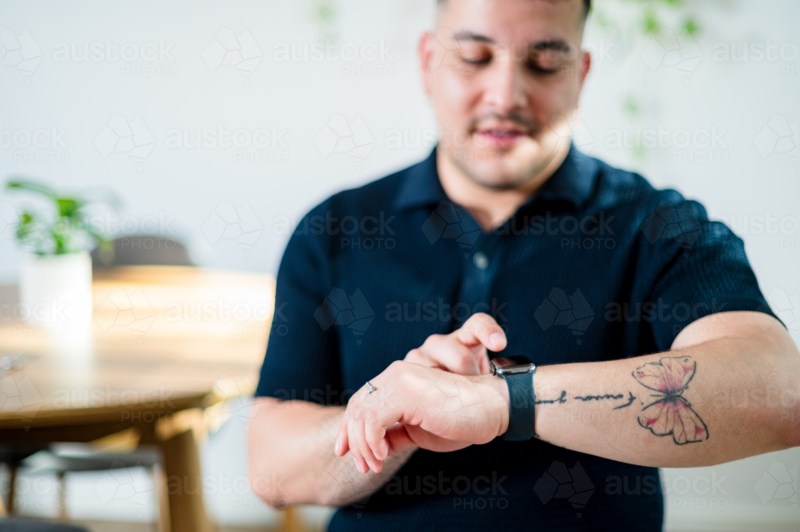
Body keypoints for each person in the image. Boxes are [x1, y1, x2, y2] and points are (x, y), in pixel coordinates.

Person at [248, 0, 800, 530]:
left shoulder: (660, 227)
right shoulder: (335, 229)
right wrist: (390, 422)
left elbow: (780, 392)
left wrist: (500, 402)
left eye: (544, 63)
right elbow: (270, 469)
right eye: (474, 57)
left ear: (581, 75)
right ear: (427, 62)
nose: (506, 95)